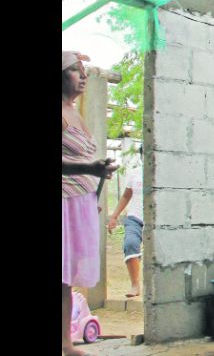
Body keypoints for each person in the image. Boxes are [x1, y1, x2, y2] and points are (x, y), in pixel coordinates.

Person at [62, 51, 101, 356]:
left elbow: (83, 158)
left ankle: (65, 343)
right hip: (63, 200)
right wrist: (89, 169)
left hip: (81, 202)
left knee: (67, 279)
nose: (83, 75)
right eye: (76, 70)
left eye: (84, 70)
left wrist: (96, 181)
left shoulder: (75, 113)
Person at [107, 146, 144, 298]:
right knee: (130, 244)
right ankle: (135, 284)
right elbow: (126, 195)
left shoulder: (165, 173)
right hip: (135, 217)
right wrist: (114, 216)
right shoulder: (135, 174)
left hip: (157, 220)